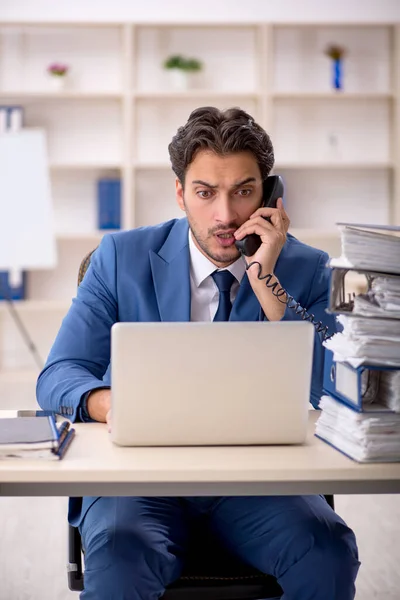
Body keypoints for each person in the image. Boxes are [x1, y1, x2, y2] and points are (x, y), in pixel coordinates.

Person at [37, 106, 360, 600]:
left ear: (271, 194)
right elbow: (58, 376)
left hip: (259, 483)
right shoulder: (120, 257)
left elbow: (336, 388)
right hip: (139, 481)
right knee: (121, 555)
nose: (225, 216)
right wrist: (115, 406)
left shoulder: (307, 267)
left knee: (328, 549)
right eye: (206, 193)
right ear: (180, 192)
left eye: (244, 191)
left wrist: (267, 283)